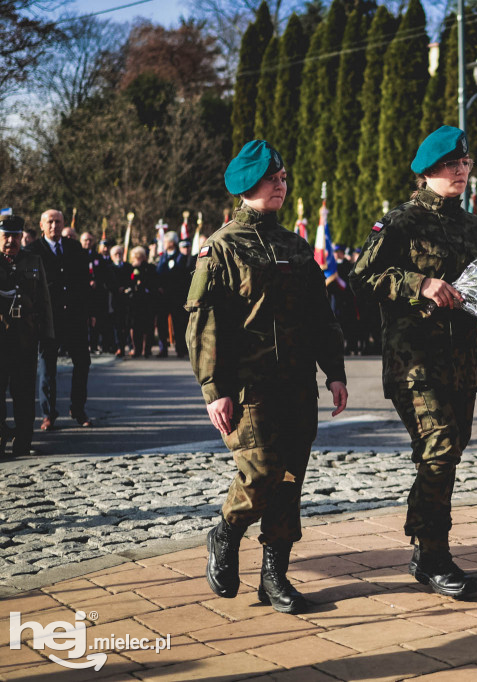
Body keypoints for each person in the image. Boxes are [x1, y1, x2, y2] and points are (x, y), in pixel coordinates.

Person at [187, 139, 349, 614]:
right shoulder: (220, 248)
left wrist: (334, 371)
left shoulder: (296, 248)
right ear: (247, 185)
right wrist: (213, 389)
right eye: (272, 178)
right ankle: (226, 531)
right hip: (248, 388)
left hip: (297, 386)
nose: (281, 184)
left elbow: (322, 317)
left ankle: (274, 577)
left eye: (282, 177)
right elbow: (204, 323)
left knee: (289, 481)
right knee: (260, 474)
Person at [352, 125, 477, 599]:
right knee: (440, 445)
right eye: (451, 165)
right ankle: (434, 554)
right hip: (415, 361)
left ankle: (424, 545)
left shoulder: (475, 227)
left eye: (465, 163)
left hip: (462, 360)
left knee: (447, 453)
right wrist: (419, 284)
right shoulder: (400, 223)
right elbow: (363, 274)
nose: (460, 171)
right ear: (427, 172)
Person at [23, 209, 92, 430]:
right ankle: (48, 413)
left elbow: (84, 283)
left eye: (58, 222)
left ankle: (78, 408)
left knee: (82, 363)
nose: (54, 226)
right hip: (48, 319)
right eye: (50, 222)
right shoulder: (33, 251)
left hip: (75, 317)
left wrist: (88, 314)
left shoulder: (75, 249)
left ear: (64, 225)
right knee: (47, 367)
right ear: (42, 225)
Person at [0, 215, 53, 458]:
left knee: (23, 395)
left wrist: (48, 335)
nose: (10, 240)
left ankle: (22, 442)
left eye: (15, 236)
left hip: (25, 340)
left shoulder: (34, 260)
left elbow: (44, 300)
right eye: (5, 236)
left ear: (22, 237)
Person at [155, 232, 190, 358]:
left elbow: (182, 277)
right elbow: (158, 274)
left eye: (166, 241)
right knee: (162, 324)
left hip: (176, 296)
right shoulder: (161, 258)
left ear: (172, 243)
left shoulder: (181, 257)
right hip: (163, 297)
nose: (164, 244)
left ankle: (180, 349)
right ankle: (162, 349)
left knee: (178, 324)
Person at [125, 246, 156, 358]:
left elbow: (152, 283)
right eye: (135, 257)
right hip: (134, 302)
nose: (137, 259)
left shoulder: (150, 268)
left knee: (147, 326)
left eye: (140, 257)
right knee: (134, 326)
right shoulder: (129, 268)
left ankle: (146, 349)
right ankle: (136, 348)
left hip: (147, 301)